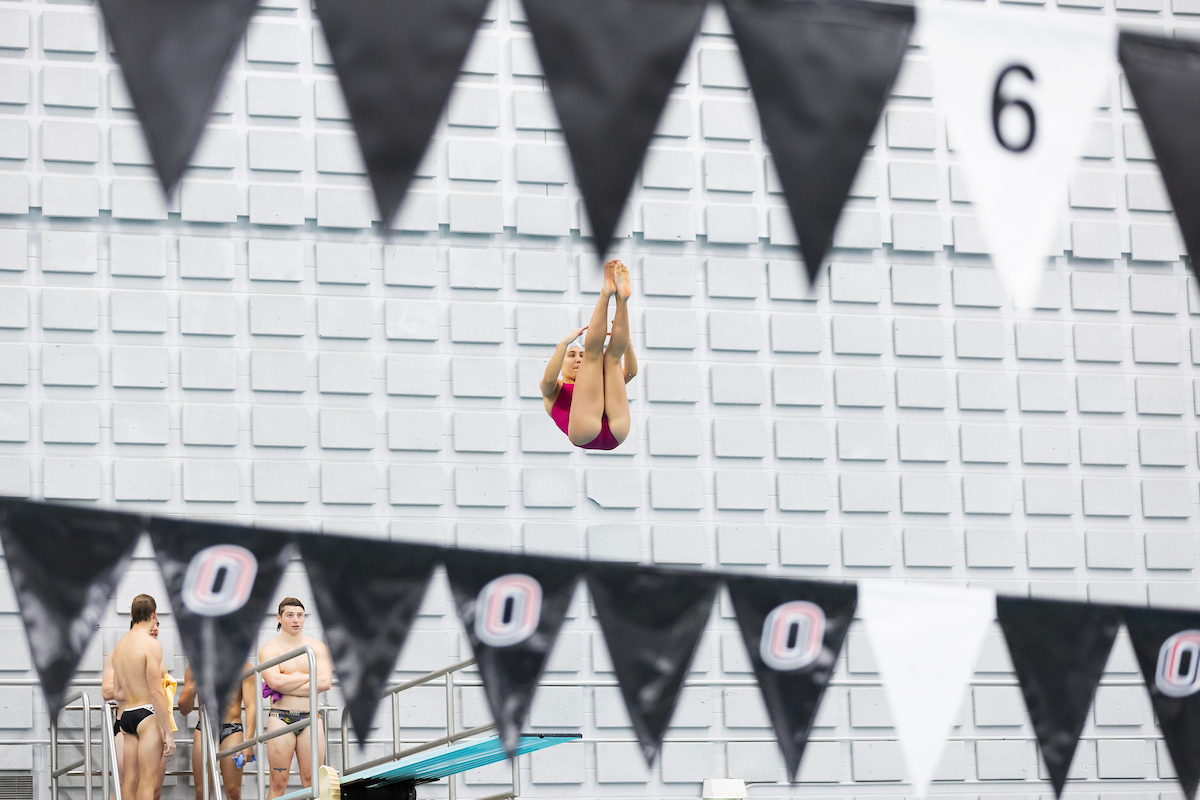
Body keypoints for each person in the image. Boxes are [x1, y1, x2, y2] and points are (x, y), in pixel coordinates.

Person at [541, 259, 637, 450]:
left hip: (613, 431)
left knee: (610, 358)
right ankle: (608, 293)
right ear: (561, 362)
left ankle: (620, 298)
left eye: (580, 355)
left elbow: (630, 373)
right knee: (604, 357)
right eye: (571, 355)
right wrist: (564, 343)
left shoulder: (597, 382)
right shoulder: (554, 389)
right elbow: (549, 377)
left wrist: (627, 344)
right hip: (593, 431)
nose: (578, 359)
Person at [257, 598, 332, 800]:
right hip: (280, 718)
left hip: (311, 718)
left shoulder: (318, 647)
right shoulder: (269, 649)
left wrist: (288, 681)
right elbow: (275, 682)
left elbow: (325, 683)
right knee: (278, 781)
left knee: (312, 781)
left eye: (300, 615)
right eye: (290, 615)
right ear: (279, 618)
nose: (295, 620)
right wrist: (310, 677)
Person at [109, 595, 176, 800]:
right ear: (154, 615)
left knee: (129, 780)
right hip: (147, 715)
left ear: (131, 615)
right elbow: (156, 693)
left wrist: (135, 691)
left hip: (127, 716)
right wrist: (168, 734)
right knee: (148, 781)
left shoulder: (119, 647)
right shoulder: (150, 645)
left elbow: (117, 692)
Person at [178, 662, 256, 800]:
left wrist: (249, 742)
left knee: (233, 791)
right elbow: (184, 709)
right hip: (205, 729)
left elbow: (251, 706)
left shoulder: (243, 667)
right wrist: (192, 689)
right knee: (202, 791)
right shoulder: (195, 667)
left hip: (232, 729)